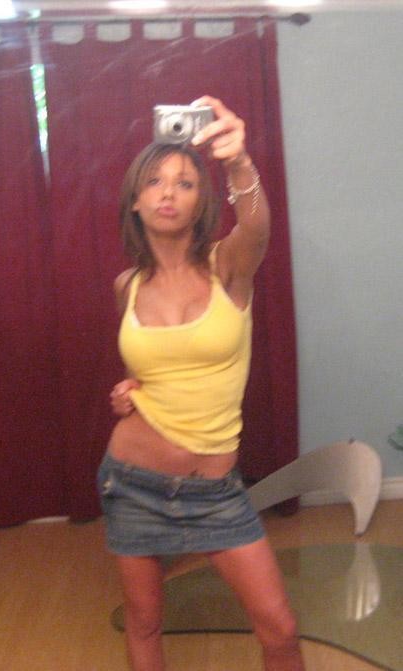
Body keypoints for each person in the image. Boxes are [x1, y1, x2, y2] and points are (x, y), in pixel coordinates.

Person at [97, 96, 305, 671]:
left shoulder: (228, 266)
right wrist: (128, 389)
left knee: (281, 631)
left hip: (213, 493)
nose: (168, 192)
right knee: (144, 624)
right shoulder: (125, 287)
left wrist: (238, 163)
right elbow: (151, 368)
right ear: (136, 200)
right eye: (155, 181)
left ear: (200, 202)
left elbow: (257, 225)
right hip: (130, 481)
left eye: (185, 183)